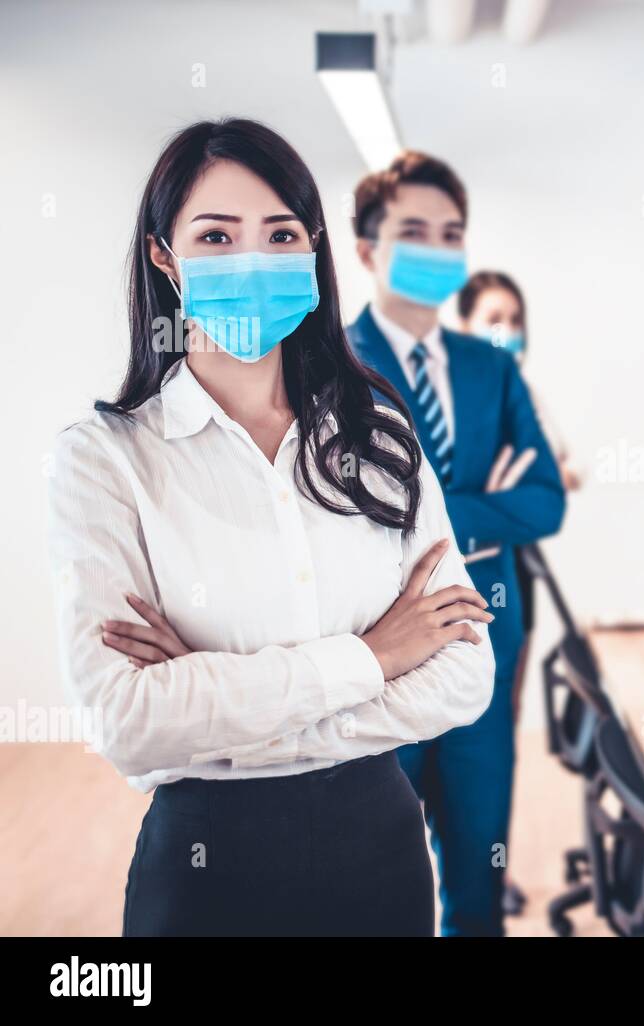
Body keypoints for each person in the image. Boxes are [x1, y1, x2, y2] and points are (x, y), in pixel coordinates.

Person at [45, 119, 495, 937]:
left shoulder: (380, 438)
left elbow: (466, 673)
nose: (251, 258)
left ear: (313, 249)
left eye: (280, 233)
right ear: (163, 257)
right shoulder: (105, 462)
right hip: (207, 873)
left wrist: (229, 718)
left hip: (383, 856)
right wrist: (376, 656)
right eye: (215, 235)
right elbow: (130, 724)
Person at [347, 152, 566, 936]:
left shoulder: (491, 368)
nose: (438, 249)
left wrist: (430, 514)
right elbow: (341, 516)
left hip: (484, 642)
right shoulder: (324, 369)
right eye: (414, 231)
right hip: (378, 662)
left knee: (479, 879)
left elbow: (544, 502)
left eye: (451, 234)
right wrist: (483, 505)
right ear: (368, 249)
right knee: (382, 889)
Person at [456, 269, 580, 916]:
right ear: (464, 327)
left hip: (516, 578)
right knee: (457, 732)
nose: (507, 331)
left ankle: (489, 870)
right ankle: (460, 873)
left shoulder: (520, 391)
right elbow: (449, 505)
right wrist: (501, 501)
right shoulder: (458, 398)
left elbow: (558, 477)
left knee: (502, 725)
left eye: (515, 318)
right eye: (492, 319)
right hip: (462, 583)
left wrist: (500, 501)